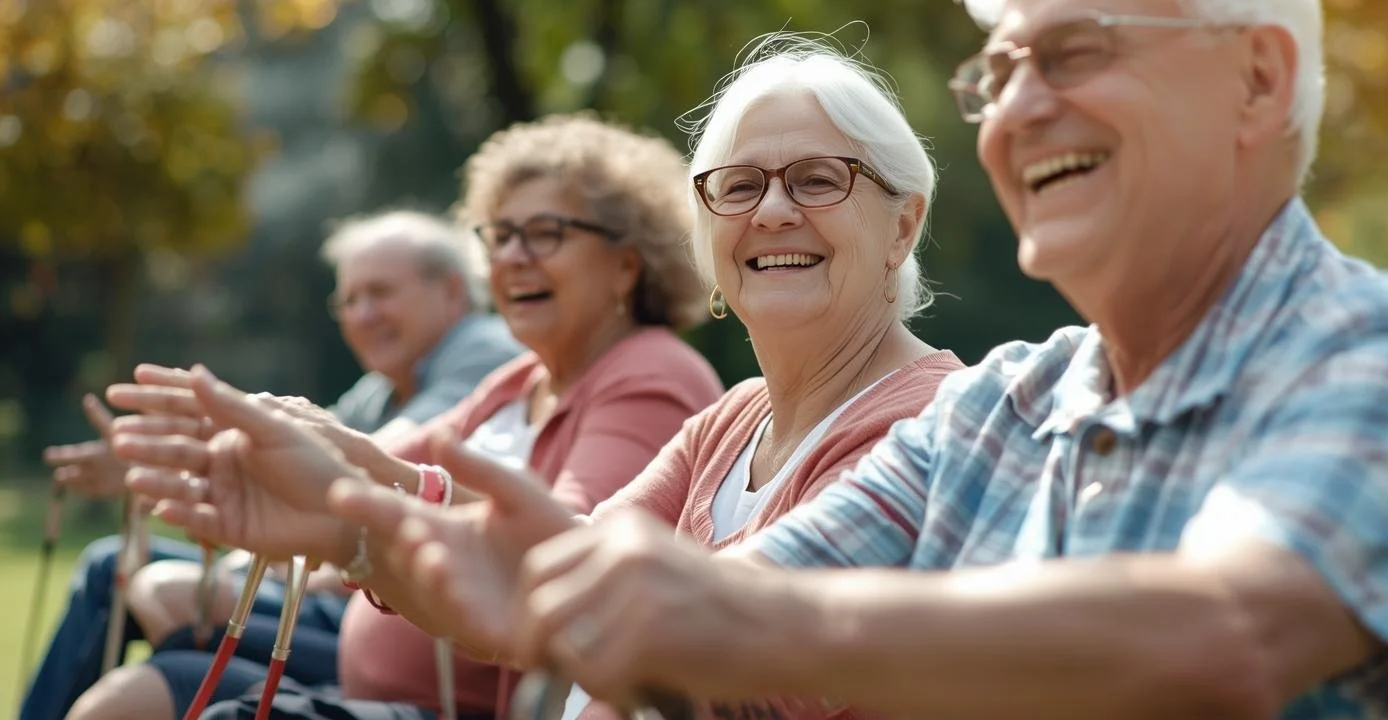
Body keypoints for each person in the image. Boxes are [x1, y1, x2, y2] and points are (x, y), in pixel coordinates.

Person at [333, 0, 1388, 718]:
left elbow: (1219, 637)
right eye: (1001, 67)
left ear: (1257, 81)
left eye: (1076, 51)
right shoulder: (1005, 409)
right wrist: (358, 514)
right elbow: (715, 610)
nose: (1020, 105)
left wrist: (690, 612)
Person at [111, 39, 965, 720]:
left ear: (903, 224)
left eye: (818, 179)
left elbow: (738, 669)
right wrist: (351, 508)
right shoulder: (730, 420)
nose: (773, 210)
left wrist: (363, 501)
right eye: (738, 186)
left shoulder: (924, 421)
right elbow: (558, 566)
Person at [70, 114, 725, 720]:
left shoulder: (651, 374)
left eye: (547, 233)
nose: (513, 256)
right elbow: (363, 465)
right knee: (141, 688)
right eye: (499, 235)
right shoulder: (515, 383)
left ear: (626, 264)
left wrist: (372, 471)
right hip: (372, 678)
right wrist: (246, 447)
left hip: (464, 703)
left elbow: (562, 543)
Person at [23, 210, 526, 720]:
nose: (362, 314)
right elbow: (294, 457)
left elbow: (346, 456)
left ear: (452, 292)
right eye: (349, 300)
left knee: (151, 607)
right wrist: (157, 459)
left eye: (380, 292)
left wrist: (221, 450)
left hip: (392, 623)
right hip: (360, 604)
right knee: (119, 570)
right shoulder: (380, 390)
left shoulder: (483, 351)